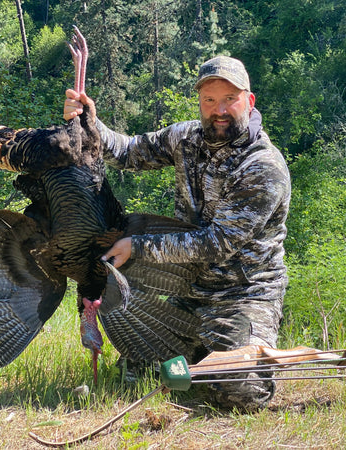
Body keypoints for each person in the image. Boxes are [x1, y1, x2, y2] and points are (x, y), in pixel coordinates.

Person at [63, 55, 291, 410]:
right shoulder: (186, 138)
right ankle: (197, 352)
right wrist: (89, 122)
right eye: (209, 100)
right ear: (200, 103)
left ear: (249, 100)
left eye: (229, 99)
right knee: (136, 372)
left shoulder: (263, 167)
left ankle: (227, 353)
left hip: (245, 294)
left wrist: (137, 247)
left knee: (238, 392)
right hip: (188, 289)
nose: (219, 110)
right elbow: (125, 152)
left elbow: (217, 244)